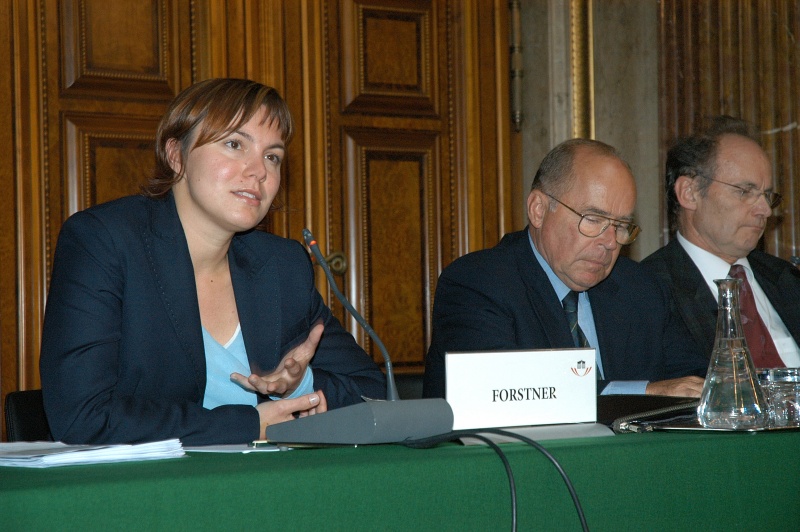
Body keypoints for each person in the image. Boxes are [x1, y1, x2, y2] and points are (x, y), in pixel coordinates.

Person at [40, 78, 386, 445]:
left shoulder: (281, 264)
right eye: (235, 144)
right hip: (147, 492)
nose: (259, 172)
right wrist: (250, 425)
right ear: (176, 156)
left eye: (273, 156)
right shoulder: (104, 241)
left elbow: (373, 389)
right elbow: (82, 417)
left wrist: (299, 384)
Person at [423, 139, 707, 399]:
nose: (609, 242)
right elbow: (505, 394)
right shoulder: (478, 284)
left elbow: (694, 383)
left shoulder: (642, 290)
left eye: (621, 226)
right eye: (593, 219)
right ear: (538, 209)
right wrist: (642, 393)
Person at [642, 116, 800, 367]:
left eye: (767, 195)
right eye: (744, 191)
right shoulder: (647, 291)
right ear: (689, 193)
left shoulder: (788, 280)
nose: (765, 210)